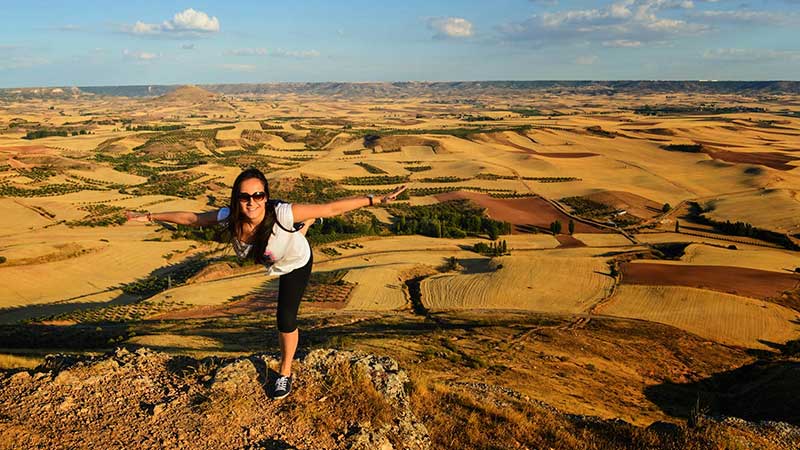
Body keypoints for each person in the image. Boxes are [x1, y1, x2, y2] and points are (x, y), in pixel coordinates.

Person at [126, 167, 406, 399]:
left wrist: (376, 199)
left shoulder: (281, 212)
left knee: (285, 319)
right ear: (236, 199)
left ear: (266, 196)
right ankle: (304, 225)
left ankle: (285, 373)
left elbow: (332, 207)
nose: (251, 201)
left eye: (258, 195)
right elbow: (193, 219)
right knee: (294, 231)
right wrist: (150, 216)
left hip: (296, 261)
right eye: (244, 196)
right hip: (274, 257)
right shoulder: (230, 218)